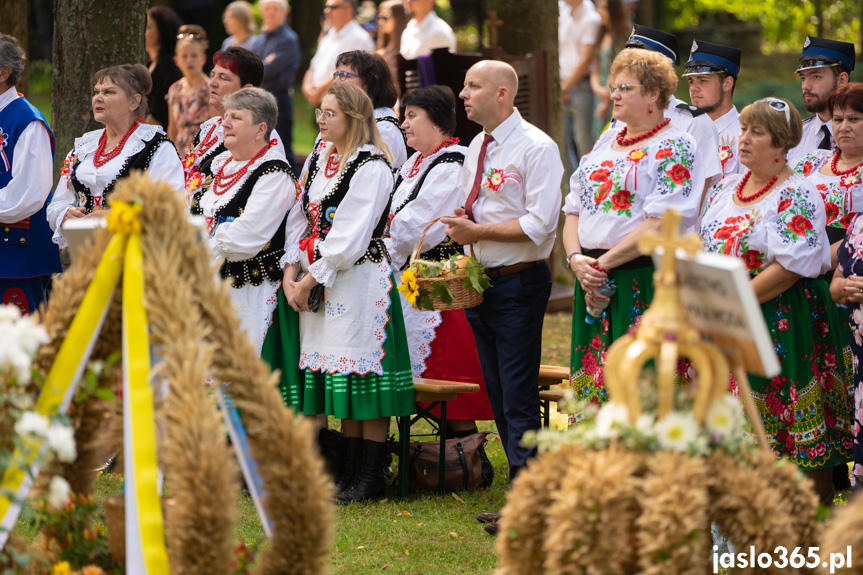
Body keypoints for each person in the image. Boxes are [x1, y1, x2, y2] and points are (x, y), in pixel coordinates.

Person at [700, 98, 852, 505]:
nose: (743, 139)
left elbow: (793, 265)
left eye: (756, 133)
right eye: (743, 129)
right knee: (736, 419)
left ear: (782, 145)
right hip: (729, 313)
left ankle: (808, 524)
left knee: (794, 425)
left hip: (782, 316)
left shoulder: (797, 192)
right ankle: (746, 520)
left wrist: (732, 302)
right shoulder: (729, 187)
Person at [440, 60, 562, 536]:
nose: (463, 94)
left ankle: (530, 503)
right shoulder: (478, 144)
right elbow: (484, 206)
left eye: (473, 86)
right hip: (481, 282)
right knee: (496, 388)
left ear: (504, 95)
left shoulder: (537, 147)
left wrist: (479, 229)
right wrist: (464, 219)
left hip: (518, 282)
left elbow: (540, 224)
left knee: (516, 392)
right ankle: (523, 494)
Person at [280, 84, 412, 505]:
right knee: (342, 374)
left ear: (354, 118)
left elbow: (351, 236)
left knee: (363, 375)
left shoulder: (371, 165)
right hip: (321, 276)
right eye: (319, 112)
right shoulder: (320, 158)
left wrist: (311, 278)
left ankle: (370, 476)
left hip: (357, 281)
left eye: (329, 113)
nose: (320, 120)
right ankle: (351, 472)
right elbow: (300, 217)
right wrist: (290, 270)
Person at [563, 48, 703, 407]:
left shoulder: (676, 145)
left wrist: (603, 263)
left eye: (625, 88)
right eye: (613, 87)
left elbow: (659, 224)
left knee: (643, 392)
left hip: (639, 279)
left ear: (653, 94)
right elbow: (574, 208)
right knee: (594, 391)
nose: (615, 95)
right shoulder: (607, 139)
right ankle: (600, 463)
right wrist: (576, 258)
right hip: (591, 277)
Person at [384, 85, 494, 480]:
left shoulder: (451, 163)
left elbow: (420, 228)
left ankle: (467, 462)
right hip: (409, 282)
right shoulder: (414, 163)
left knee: (444, 381)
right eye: (404, 115)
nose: (404, 123)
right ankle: (432, 459)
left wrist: (380, 233)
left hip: (439, 291)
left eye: (412, 115)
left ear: (437, 120)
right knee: (419, 379)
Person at [189, 87, 295, 353]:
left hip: (249, 296)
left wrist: (191, 251)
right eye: (226, 116)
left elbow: (248, 234)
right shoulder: (219, 165)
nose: (224, 123)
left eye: (235, 117)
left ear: (260, 129)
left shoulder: (274, 174)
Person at [47, 64, 184, 248]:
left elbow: (170, 208)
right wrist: (67, 213)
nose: (99, 98)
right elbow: (57, 205)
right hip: (87, 255)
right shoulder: (84, 147)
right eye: (97, 92)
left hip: (136, 255)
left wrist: (114, 216)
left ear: (134, 102)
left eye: (109, 92)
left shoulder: (156, 147)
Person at [802, 84, 863, 491]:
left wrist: (819, 259)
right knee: (817, 374)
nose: (844, 127)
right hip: (806, 284)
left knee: (846, 374)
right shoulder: (811, 165)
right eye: (838, 118)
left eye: (855, 120)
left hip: (846, 279)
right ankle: (823, 468)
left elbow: (857, 234)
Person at [611, 25, 722, 193]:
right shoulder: (622, 117)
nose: (626, 68)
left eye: (636, 64)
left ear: (661, 71)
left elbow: (699, 193)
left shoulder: (693, 122)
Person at [0, 34, 61, 315]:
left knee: (19, 349)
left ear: (3, 72)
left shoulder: (28, 121)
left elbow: (29, 193)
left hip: (15, 252)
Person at [184, 47, 285, 193]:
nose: (212, 83)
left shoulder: (261, 135)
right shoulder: (210, 128)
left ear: (247, 90)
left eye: (223, 78)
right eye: (213, 75)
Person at [302, 50, 407, 176]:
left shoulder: (384, 128)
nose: (335, 82)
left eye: (344, 75)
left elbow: (371, 180)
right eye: (336, 75)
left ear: (369, 83)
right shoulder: (340, 118)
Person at [787, 36, 855, 168]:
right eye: (803, 78)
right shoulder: (793, 137)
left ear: (842, 80)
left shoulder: (859, 135)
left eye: (816, 76)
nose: (805, 86)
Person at [252, 0, 301, 170]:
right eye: (267, 9)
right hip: (258, 100)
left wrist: (259, 66)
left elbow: (266, 71)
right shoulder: (259, 39)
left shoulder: (288, 39)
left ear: (284, 12)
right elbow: (252, 67)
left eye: (275, 9)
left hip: (277, 100)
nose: (271, 12)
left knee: (282, 151)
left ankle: (294, 192)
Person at [684, 39, 744, 177]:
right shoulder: (685, 131)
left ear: (727, 84)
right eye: (691, 81)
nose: (693, 88)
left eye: (703, 80)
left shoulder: (745, 135)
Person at [301, 0, 374, 107]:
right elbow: (314, 65)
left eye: (333, 7)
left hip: (345, 104)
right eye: (326, 7)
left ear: (348, 11)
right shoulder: (329, 35)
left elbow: (347, 72)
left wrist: (319, 90)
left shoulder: (358, 38)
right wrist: (306, 86)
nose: (326, 11)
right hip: (326, 101)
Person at [559, 0, 602, 175]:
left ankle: (592, 185)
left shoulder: (591, 18)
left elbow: (585, 60)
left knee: (583, 140)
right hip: (562, 85)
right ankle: (573, 189)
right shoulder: (562, 11)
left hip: (581, 86)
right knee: (561, 141)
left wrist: (565, 87)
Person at [167, 25, 211, 154]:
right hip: (179, 154)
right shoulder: (174, 89)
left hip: (203, 153)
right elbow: (172, 129)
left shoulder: (210, 89)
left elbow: (217, 128)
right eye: (184, 56)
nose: (189, 60)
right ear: (177, 60)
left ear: (203, 58)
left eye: (194, 56)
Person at [588, 0, 628, 136]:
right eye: (599, 8)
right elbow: (595, 68)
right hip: (600, 93)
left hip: (613, 93)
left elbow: (616, 70)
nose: (600, 12)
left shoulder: (622, 36)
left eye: (605, 8)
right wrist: (597, 88)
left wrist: (606, 100)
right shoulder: (602, 34)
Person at [145, 6, 183, 130]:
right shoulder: (150, 64)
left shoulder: (168, 65)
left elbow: (160, 112)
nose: (143, 32)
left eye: (148, 27)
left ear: (162, 31)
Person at [375, 0, 409, 88]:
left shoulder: (408, 47)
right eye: (380, 17)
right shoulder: (380, 51)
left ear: (399, 18)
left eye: (385, 17)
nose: (381, 21)